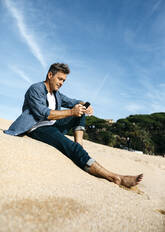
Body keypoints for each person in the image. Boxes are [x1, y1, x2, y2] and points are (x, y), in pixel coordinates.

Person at [4, 63, 143, 188]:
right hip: (36, 127)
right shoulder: (36, 89)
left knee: (80, 112)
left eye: (64, 80)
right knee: (70, 140)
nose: (61, 83)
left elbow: (73, 101)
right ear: (50, 75)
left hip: (52, 124)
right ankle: (115, 177)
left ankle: (79, 146)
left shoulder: (57, 94)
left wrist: (85, 105)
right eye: (59, 79)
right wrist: (71, 111)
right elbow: (43, 113)